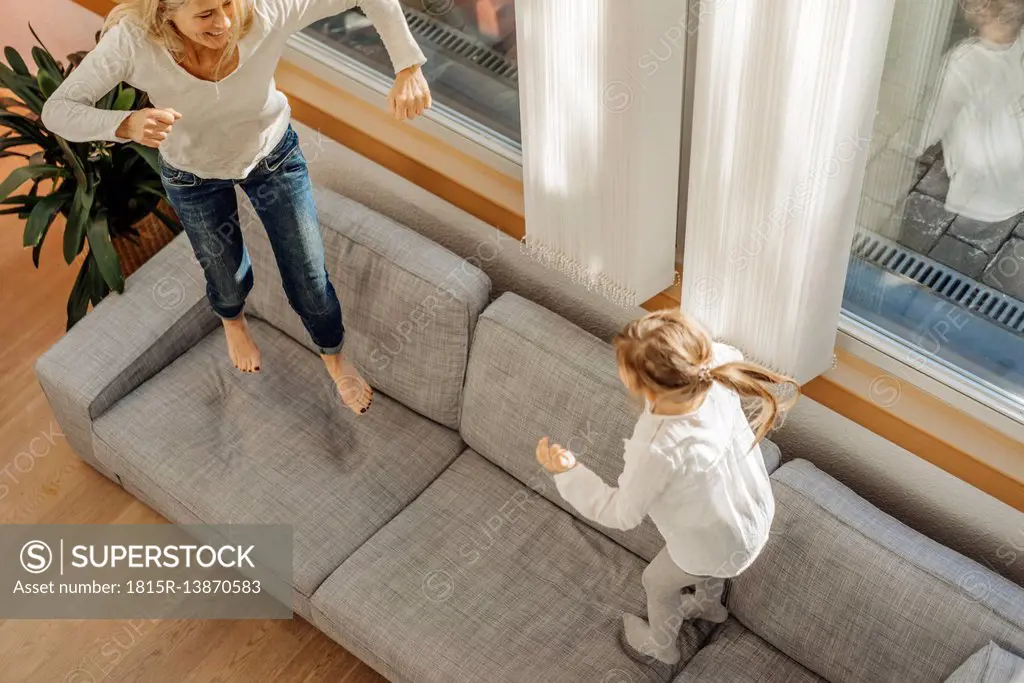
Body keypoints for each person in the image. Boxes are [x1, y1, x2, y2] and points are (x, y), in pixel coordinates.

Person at [41, 0, 433, 414]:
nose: (225, 22)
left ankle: (333, 355)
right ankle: (233, 320)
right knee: (225, 275)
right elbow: (57, 110)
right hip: (193, 176)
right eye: (206, 13)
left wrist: (408, 66)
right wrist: (123, 125)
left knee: (308, 274)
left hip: (272, 158)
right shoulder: (134, 42)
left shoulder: (266, 10)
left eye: (228, 3)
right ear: (166, 12)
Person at [535, 309, 799, 666]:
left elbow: (622, 512)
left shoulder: (658, 445)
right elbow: (720, 353)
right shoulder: (715, 363)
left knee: (656, 582)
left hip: (716, 544)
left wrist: (568, 473)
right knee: (706, 565)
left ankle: (662, 645)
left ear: (642, 385)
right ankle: (708, 604)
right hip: (753, 515)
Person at [919, 0, 1024, 222]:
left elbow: (928, 128)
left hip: (980, 197)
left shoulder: (962, 63)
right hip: (1017, 179)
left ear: (979, 10)